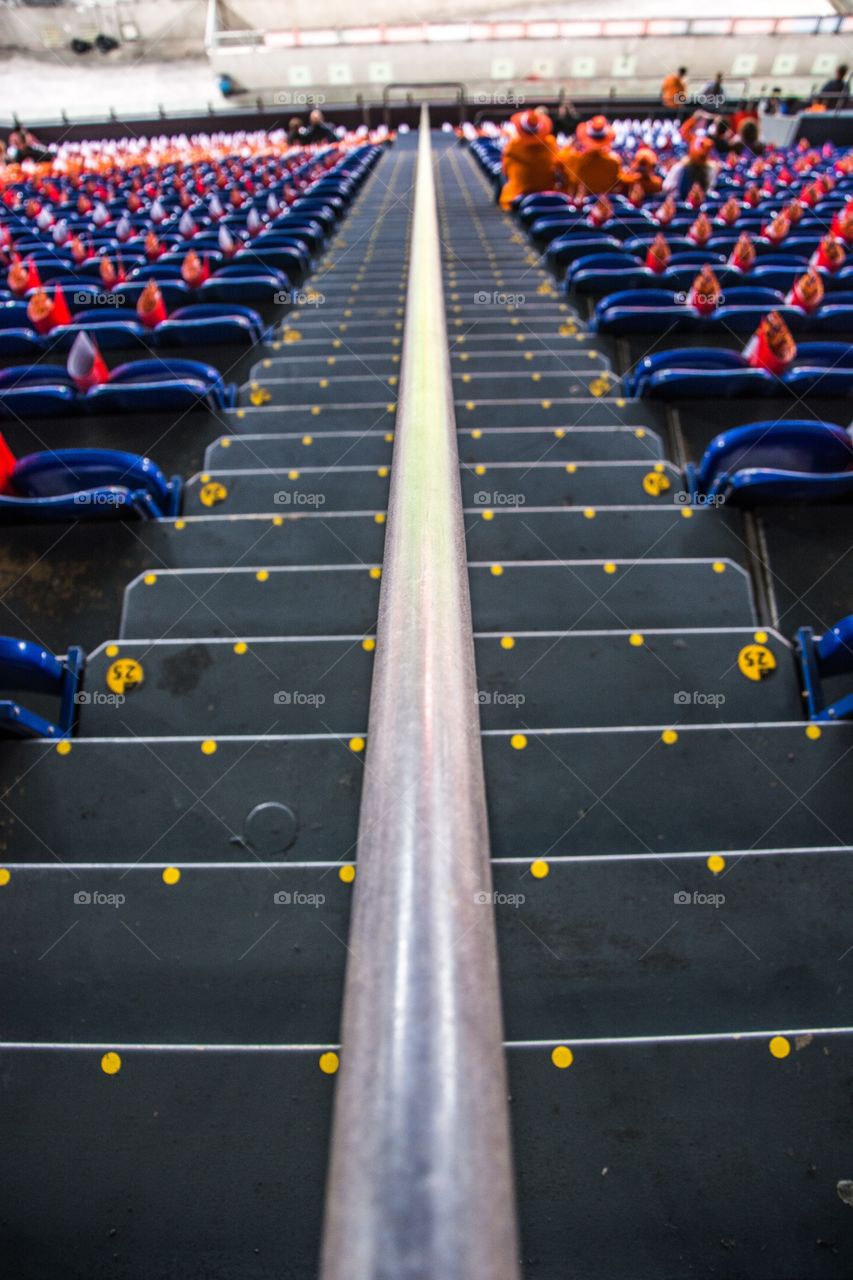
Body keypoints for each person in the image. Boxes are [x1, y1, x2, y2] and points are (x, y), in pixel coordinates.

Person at [499, 110, 558, 210]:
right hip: (548, 193)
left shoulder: (513, 146)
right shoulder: (551, 143)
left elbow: (505, 171)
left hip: (518, 195)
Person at [559, 115, 621, 197]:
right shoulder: (614, 162)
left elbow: (560, 161)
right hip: (604, 203)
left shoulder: (576, 159)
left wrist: (570, 145)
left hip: (583, 203)